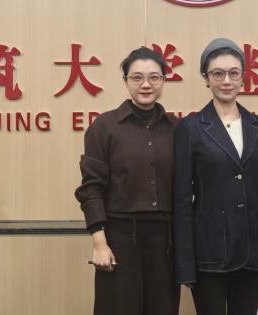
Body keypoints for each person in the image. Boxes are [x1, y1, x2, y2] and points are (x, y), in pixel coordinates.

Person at [172, 38, 258, 315]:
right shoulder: (191, 128)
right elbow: (181, 199)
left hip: (252, 247)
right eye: (218, 74)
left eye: (234, 73)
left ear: (243, 77)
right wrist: (185, 264)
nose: (226, 81)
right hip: (208, 249)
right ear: (206, 78)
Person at [75, 47, 180, 315]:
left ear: (163, 81)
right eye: (137, 77)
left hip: (165, 243)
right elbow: (91, 188)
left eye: (154, 77)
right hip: (120, 238)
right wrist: (100, 244)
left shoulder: (177, 129)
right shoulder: (105, 126)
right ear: (125, 81)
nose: (146, 84)